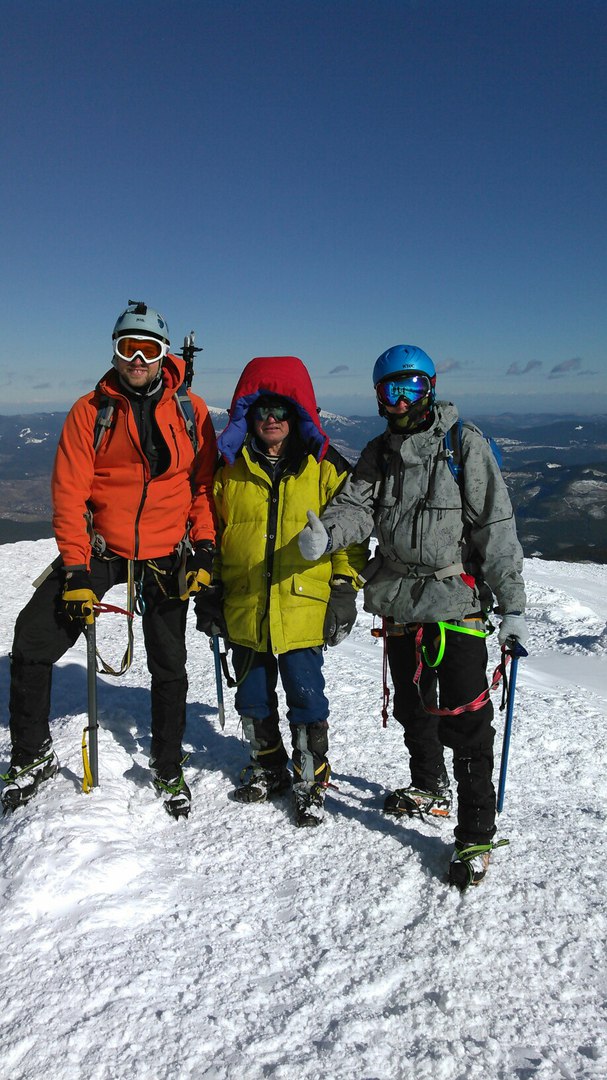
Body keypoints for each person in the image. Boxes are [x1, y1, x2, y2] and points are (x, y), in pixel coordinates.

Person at [298, 344, 528, 886]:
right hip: (401, 600)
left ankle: (474, 834)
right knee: (413, 705)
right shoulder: (380, 452)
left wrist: (513, 607)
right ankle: (429, 784)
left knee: (467, 720)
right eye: (389, 389)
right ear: (378, 396)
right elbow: (357, 506)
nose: (399, 399)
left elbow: (496, 528)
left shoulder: (463, 445)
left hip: (456, 602)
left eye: (410, 387)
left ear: (429, 388)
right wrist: (328, 534)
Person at [1, 302, 217, 819]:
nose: (138, 359)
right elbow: (69, 493)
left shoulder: (192, 410)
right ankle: (32, 757)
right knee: (33, 639)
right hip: (101, 547)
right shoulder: (89, 411)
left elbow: (203, 487)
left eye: (148, 349)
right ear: (115, 351)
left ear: (164, 354)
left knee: (169, 662)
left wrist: (205, 548)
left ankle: (167, 764)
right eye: (128, 348)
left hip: (168, 549)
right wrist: (75, 572)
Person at [194, 355, 367, 826]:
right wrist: (209, 590)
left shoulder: (324, 469)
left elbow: (350, 536)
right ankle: (268, 764)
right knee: (252, 693)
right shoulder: (228, 472)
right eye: (262, 411)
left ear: (298, 416)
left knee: (306, 695)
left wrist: (344, 589)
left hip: (302, 609)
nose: (271, 420)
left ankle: (310, 775)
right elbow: (212, 532)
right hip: (245, 607)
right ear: (248, 416)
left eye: (281, 411)